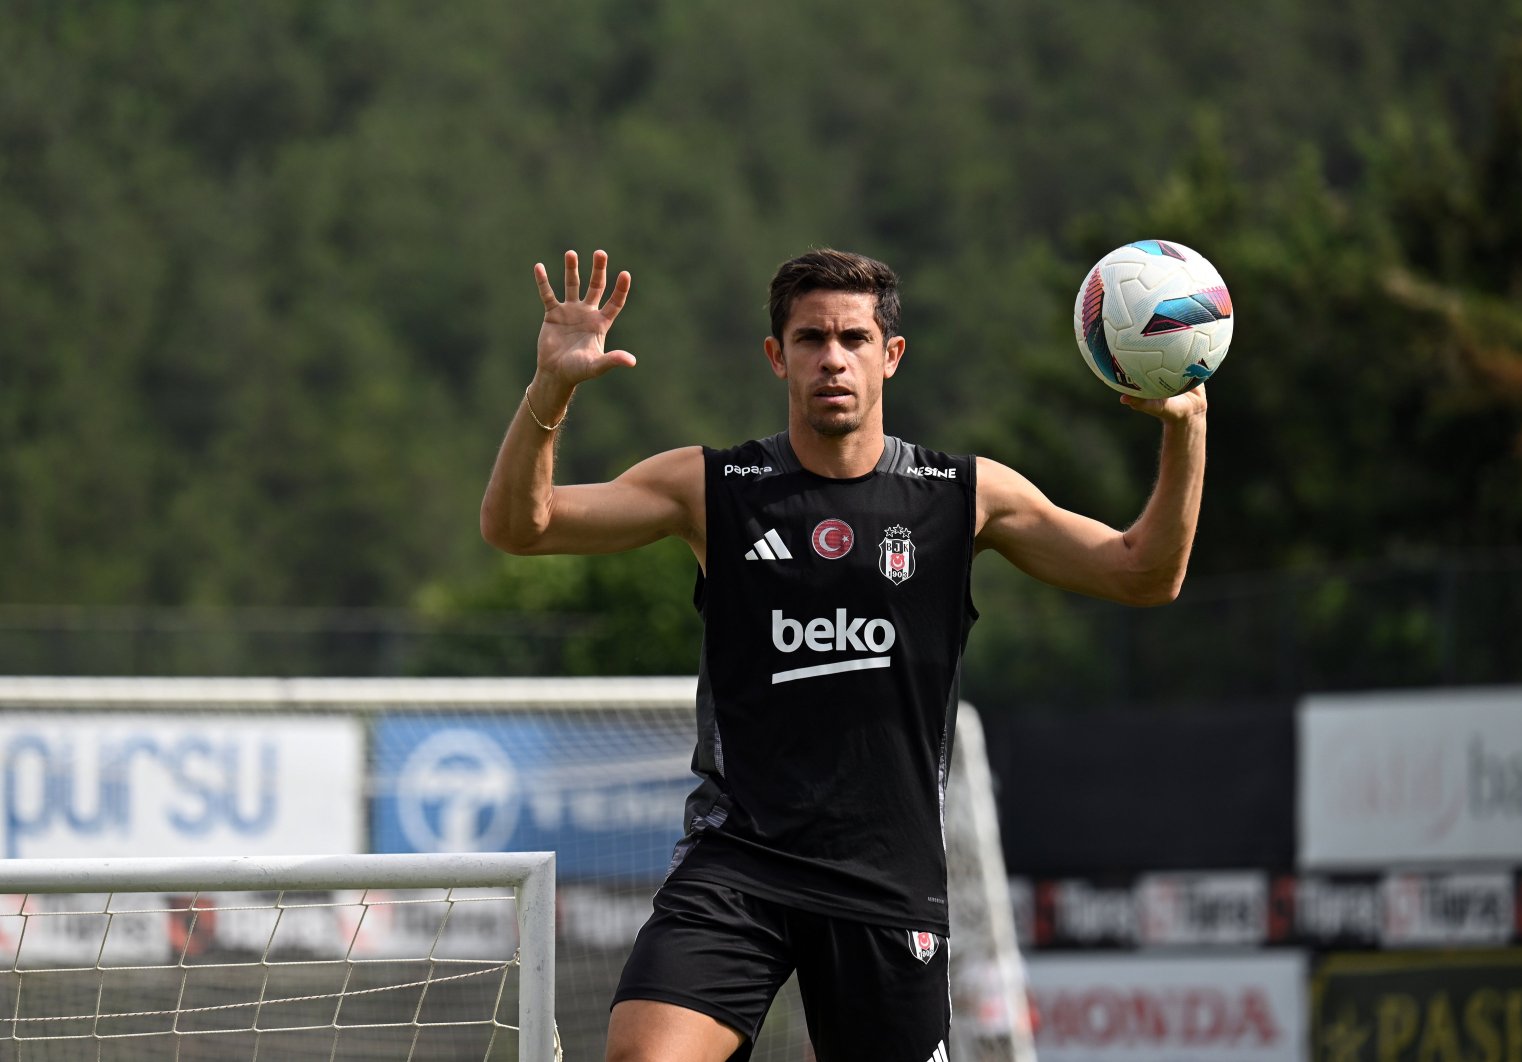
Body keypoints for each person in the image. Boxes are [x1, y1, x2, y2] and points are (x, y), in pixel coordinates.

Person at [480, 248, 1207, 1062]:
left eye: (854, 339)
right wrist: (552, 386)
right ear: (776, 357)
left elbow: (1146, 573)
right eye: (811, 338)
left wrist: (1188, 430)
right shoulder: (711, 487)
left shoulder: (964, 496)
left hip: (887, 880)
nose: (833, 357)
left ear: (890, 356)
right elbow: (520, 526)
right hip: (739, 865)